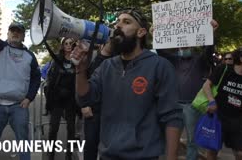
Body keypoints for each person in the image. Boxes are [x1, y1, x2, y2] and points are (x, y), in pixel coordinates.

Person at [72, 8, 183, 160]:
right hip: (107, 155)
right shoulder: (107, 66)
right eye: (118, 22)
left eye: (127, 22)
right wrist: (80, 69)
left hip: (144, 156)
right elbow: (85, 98)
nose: (118, 26)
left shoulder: (160, 66)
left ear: (141, 32)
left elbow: (172, 117)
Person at [0, 0, 41, 160]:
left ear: (23, 35)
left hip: (19, 106)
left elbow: (36, 78)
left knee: (23, 143)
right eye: (12, 30)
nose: (15, 33)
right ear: (8, 33)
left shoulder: (29, 56)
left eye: (18, 31)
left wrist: (29, 98)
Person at [156, 20, 219, 160]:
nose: (184, 46)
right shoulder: (173, 60)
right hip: (174, 105)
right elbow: (161, 51)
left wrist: (212, 33)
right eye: (181, 44)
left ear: (192, 45)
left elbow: (208, 51)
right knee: (170, 138)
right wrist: (156, 34)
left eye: (187, 44)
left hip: (191, 105)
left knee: (192, 139)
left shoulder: (199, 60)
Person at [203, 46, 242, 160]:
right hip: (218, 118)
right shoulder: (224, 69)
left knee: (240, 154)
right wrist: (212, 102)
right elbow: (206, 86)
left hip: (236, 121)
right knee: (212, 152)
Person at [44, 38, 78, 160]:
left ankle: (68, 154)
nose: (69, 45)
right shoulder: (57, 59)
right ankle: (51, 153)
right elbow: (51, 77)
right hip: (57, 97)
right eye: (66, 43)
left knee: (71, 128)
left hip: (71, 98)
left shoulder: (77, 59)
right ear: (62, 46)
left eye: (71, 43)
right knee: (54, 127)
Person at [80, 41, 114, 160]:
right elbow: (84, 82)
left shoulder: (119, 59)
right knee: (90, 144)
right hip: (93, 110)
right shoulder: (95, 59)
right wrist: (84, 104)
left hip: (112, 111)